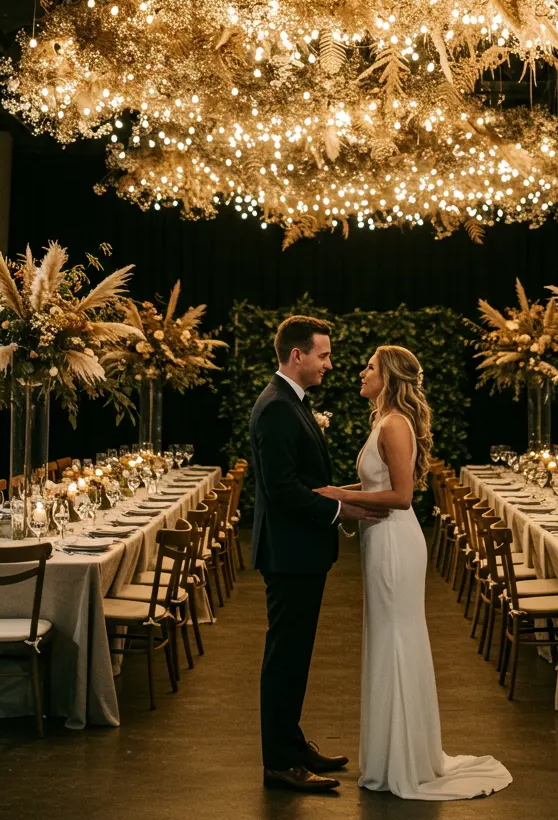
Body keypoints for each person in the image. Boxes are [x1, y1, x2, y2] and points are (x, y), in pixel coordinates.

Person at [315, 344, 513, 801]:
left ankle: (404, 760)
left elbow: (402, 497)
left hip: (393, 542)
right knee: (386, 638)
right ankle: (391, 753)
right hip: (379, 540)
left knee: (397, 639)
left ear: (389, 378)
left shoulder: (396, 424)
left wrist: (340, 500)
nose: (361, 373)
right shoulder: (383, 421)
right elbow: (373, 486)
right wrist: (333, 492)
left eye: (370, 367)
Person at [250, 313, 386, 794]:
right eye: (324, 355)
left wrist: (342, 500)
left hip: (300, 554)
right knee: (285, 656)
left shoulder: (293, 402)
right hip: (289, 555)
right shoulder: (276, 408)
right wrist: (341, 512)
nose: (330, 363)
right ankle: (279, 762)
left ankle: (291, 742)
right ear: (297, 355)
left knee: (295, 654)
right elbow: (282, 489)